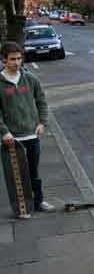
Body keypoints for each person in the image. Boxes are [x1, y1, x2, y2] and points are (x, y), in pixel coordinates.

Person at [0, 42, 55, 217]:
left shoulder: (30, 79)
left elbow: (42, 102)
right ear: (4, 60)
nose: (16, 63)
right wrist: (4, 132)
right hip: (12, 138)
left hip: (31, 134)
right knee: (16, 175)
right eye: (12, 59)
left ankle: (38, 202)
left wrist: (42, 123)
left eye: (19, 58)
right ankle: (21, 207)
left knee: (33, 172)